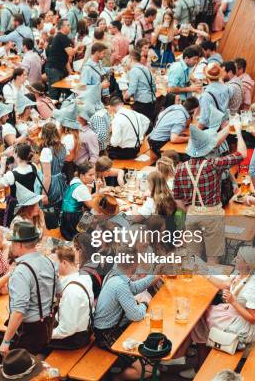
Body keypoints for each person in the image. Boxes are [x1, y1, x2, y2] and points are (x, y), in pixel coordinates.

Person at [173, 123, 246, 264]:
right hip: (212, 215)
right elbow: (242, 154)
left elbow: (177, 199)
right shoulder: (213, 164)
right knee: (213, 258)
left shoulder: (180, 168)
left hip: (192, 216)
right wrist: (238, 130)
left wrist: (191, 209)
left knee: (194, 259)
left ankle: (195, 285)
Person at [185, 247, 255, 378]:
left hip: (240, 326)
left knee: (198, 319)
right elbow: (224, 285)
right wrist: (205, 274)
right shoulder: (241, 274)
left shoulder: (252, 287)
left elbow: (254, 318)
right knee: (199, 315)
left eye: (238, 258)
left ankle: (201, 368)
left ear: (247, 264)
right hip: (230, 313)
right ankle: (202, 357)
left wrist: (233, 302)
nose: (235, 259)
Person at [93, 245, 161, 380]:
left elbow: (134, 288)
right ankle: (115, 378)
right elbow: (136, 315)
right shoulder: (120, 284)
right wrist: (144, 304)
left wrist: (156, 274)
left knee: (148, 345)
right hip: (107, 335)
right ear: (135, 263)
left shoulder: (114, 273)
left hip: (108, 329)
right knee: (151, 371)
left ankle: (143, 360)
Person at [1, 221, 58, 356]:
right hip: (47, 326)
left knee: (10, 371)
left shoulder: (21, 271)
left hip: (28, 332)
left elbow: (19, 311)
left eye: (13, 242)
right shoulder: (49, 261)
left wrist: (6, 341)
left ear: (19, 245)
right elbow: (59, 292)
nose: (11, 245)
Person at [50, 246, 94, 349]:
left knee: (28, 339)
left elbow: (66, 330)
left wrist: (44, 335)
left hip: (73, 339)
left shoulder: (71, 291)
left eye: (54, 263)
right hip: (83, 329)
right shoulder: (83, 276)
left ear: (64, 263)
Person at [60, 162, 96, 240]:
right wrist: (99, 193)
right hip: (73, 222)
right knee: (96, 214)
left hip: (65, 219)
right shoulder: (81, 188)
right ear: (82, 175)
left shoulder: (75, 180)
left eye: (94, 174)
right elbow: (92, 206)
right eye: (90, 175)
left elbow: (86, 198)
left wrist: (97, 192)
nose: (93, 178)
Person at [45, 19, 75, 100]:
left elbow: (65, 58)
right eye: (68, 25)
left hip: (57, 69)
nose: (70, 27)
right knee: (54, 94)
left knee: (62, 91)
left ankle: (59, 108)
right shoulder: (61, 37)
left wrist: (70, 71)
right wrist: (78, 47)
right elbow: (70, 53)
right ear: (62, 27)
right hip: (53, 69)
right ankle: (52, 111)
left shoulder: (62, 37)